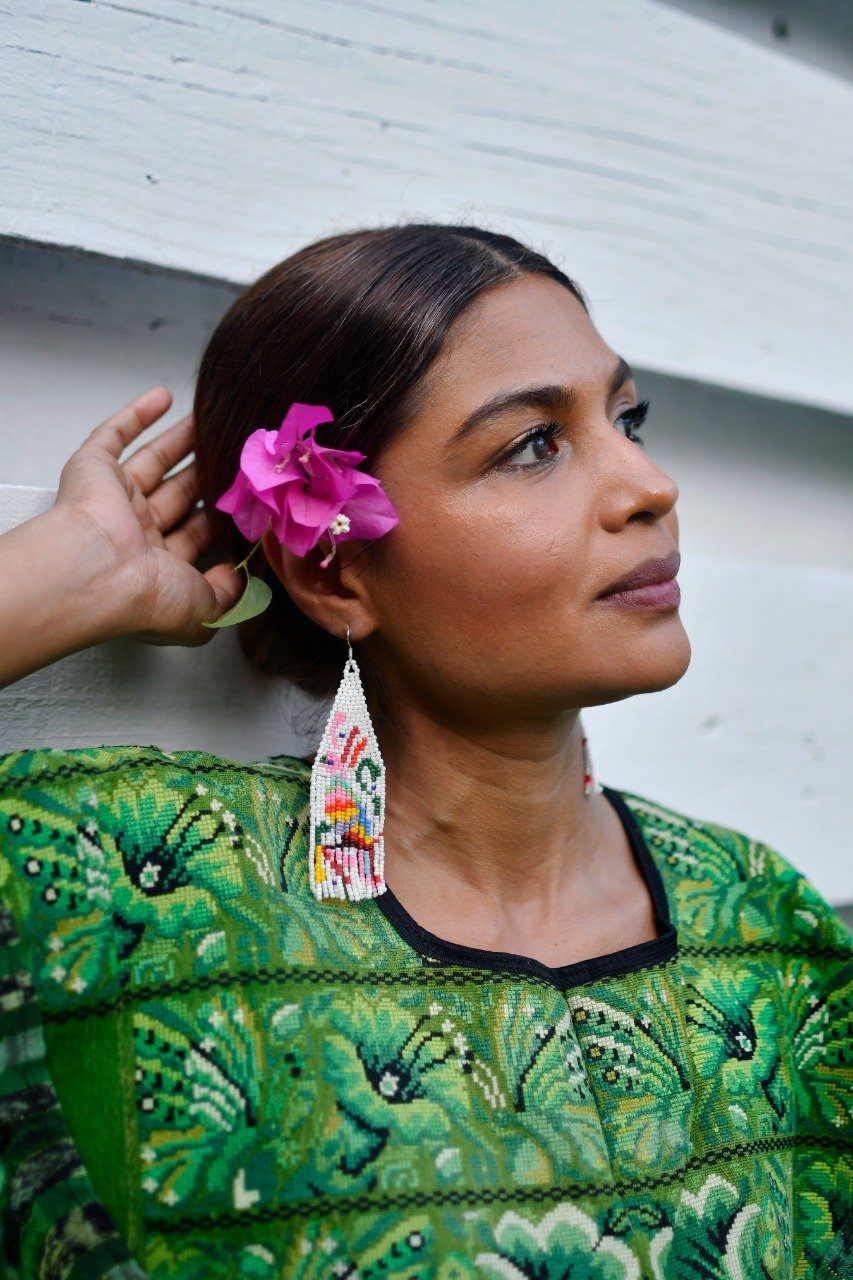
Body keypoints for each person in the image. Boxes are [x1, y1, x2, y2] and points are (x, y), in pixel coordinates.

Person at [0, 223, 849, 1280]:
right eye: (532, 443)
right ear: (335, 578)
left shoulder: (768, 921)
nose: (648, 483)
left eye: (626, 417)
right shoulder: (128, 884)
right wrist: (57, 577)